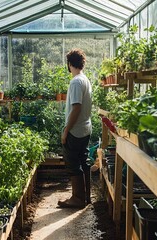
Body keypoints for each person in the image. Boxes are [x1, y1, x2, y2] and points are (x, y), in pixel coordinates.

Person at [58, 49, 92, 208]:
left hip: (76, 131)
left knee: (73, 164)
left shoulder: (76, 82)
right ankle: (86, 197)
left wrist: (66, 131)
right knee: (83, 162)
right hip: (85, 129)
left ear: (70, 64)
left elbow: (76, 108)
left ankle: (77, 199)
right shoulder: (85, 79)